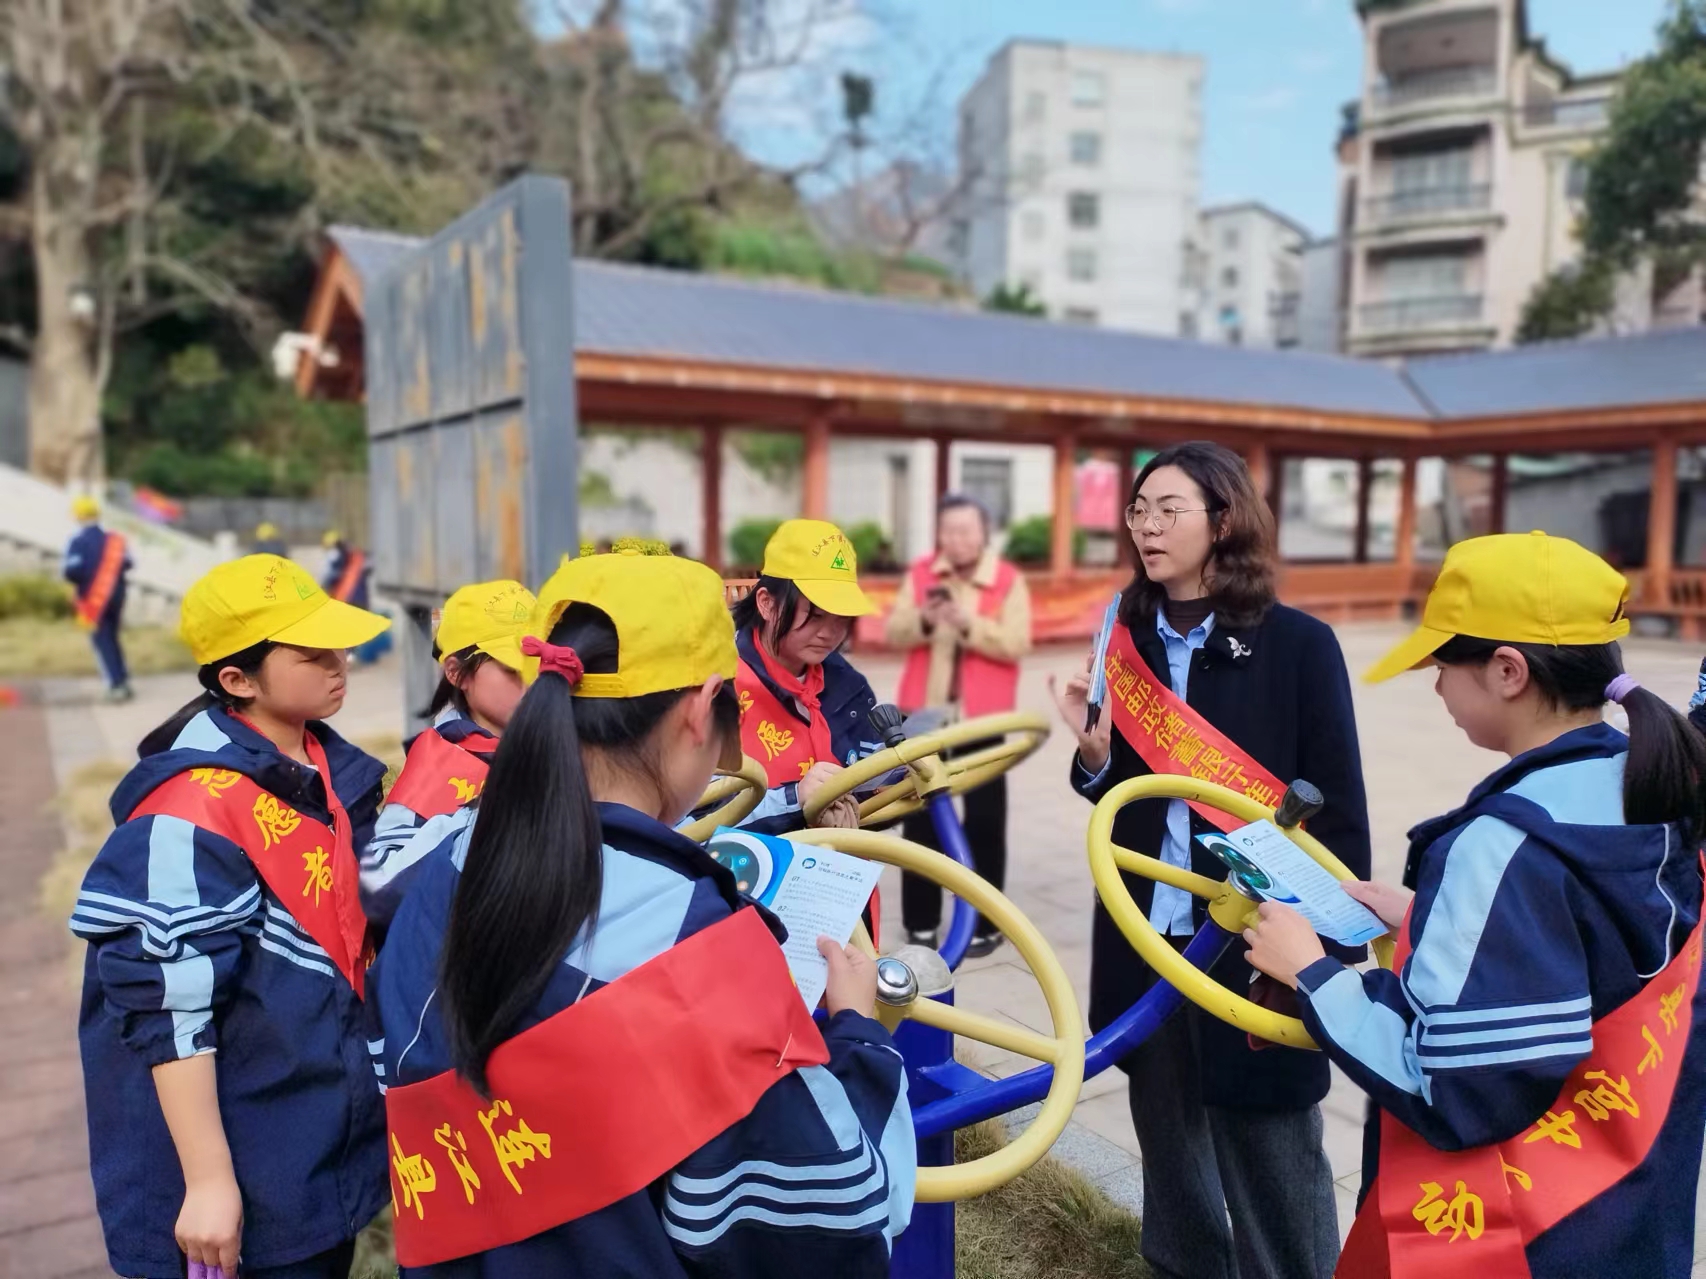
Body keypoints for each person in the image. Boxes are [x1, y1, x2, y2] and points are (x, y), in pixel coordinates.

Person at [368, 550, 914, 1275]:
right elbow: (844, 1210)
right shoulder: (698, 947)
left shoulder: (442, 866)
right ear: (701, 708)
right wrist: (859, 1032)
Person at [1245, 532, 1706, 1279]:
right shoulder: (1653, 785)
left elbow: (1456, 1088)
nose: (1434, 687)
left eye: (1439, 665)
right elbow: (1588, 959)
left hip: (1523, 1240)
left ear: (1506, 670)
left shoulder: (1501, 844)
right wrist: (1428, 915)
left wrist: (1312, 973)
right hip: (1632, 1215)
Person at [1050, 440, 1370, 1279]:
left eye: (1169, 509)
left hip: (1255, 942)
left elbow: (1337, 809)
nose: (1147, 527)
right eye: (1138, 509)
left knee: (1272, 1157)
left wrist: (1323, 957)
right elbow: (1117, 790)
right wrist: (1091, 757)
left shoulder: (1299, 644)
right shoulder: (1121, 635)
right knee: (1171, 1151)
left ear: (1222, 520)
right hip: (1145, 941)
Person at [69, 554, 392, 1279]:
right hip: (244, 1165)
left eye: (338, 645)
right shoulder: (190, 813)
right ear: (237, 680)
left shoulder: (325, 767)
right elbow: (170, 1005)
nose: (340, 665)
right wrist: (210, 1181)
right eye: (313, 654)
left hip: (310, 1142)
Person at [886, 493, 1032, 957]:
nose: (957, 540)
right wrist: (925, 621)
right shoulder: (923, 573)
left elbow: (1016, 642)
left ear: (984, 533)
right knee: (919, 818)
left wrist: (970, 624)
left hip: (982, 718)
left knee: (987, 821)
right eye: (948, 531)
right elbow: (894, 632)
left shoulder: (1006, 580)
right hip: (925, 716)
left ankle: (987, 924)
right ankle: (921, 923)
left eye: (966, 531)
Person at [360, 579, 534, 928]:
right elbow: (378, 888)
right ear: (457, 673)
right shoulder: (437, 765)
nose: (533, 680)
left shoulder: (569, 740)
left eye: (541, 662)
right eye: (514, 669)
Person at [727, 518, 883, 834]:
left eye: (841, 619)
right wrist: (796, 797)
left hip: (841, 874)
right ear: (767, 604)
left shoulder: (848, 687)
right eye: (815, 615)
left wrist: (894, 781)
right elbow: (697, 815)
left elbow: (872, 789)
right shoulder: (719, 684)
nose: (830, 633)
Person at [64, 494, 134, 703]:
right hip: (118, 596)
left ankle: (115, 684)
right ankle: (123, 678)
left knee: (102, 640)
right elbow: (127, 563)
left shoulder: (79, 542)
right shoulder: (115, 540)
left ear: (78, 517)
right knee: (113, 637)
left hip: (95, 600)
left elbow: (72, 571)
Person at [321, 530, 371, 608]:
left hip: (347, 598)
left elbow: (329, 577)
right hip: (354, 598)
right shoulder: (356, 558)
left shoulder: (337, 557)